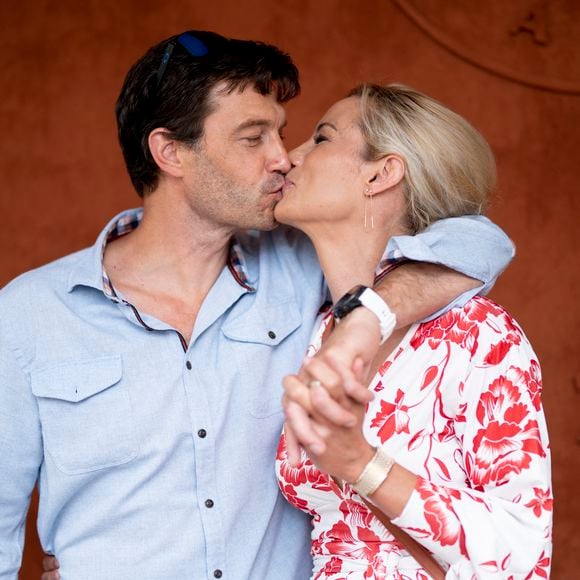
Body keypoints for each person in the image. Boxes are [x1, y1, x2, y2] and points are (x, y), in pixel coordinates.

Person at [0, 31, 513, 580]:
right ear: (170, 152)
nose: (282, 159)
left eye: (282, 134)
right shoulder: (29, 314)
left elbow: (481, 242)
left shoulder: (304, 267)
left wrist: (367, 316)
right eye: (252, 138)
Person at [276, 84, 552, 579]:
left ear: (381, 173)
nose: (290, 157)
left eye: (321, 138)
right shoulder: (312, 333)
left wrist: (361, 463)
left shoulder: (476, 336)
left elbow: (526, 551)